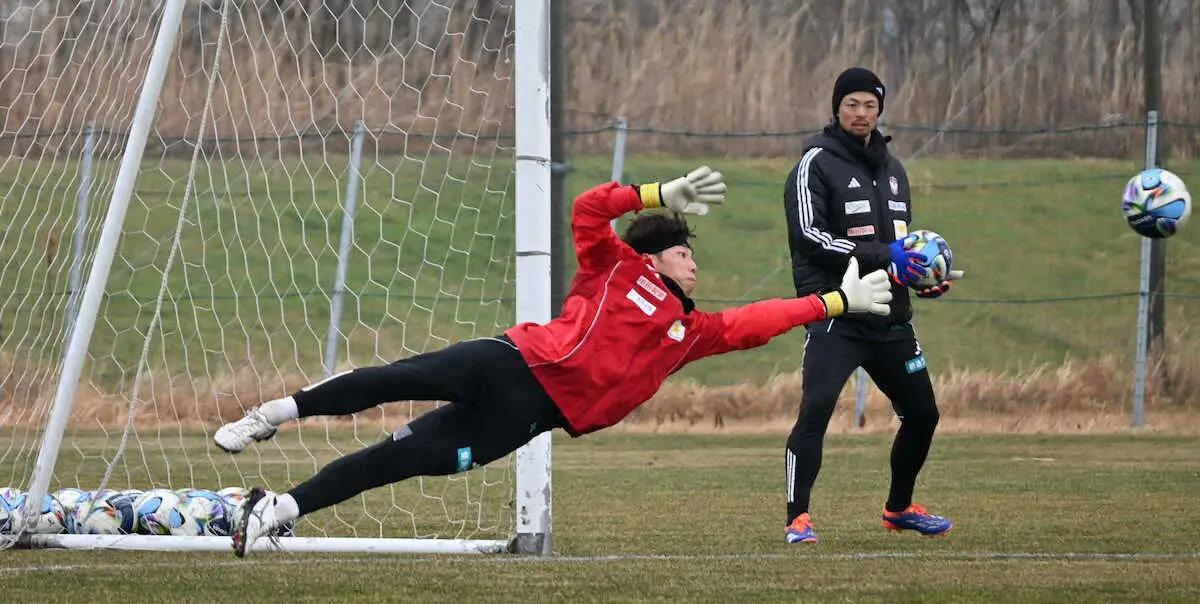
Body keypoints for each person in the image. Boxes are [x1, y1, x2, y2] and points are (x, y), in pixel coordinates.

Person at [215, 166, 894, 557]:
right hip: (506, 362)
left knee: (393, 460)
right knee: (392, 380)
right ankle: (273, 413)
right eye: (686, 253)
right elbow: (588, 209)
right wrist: (657, 195)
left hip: (528, 416)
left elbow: (759, 321)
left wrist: (835, 300)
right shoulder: (613, 266)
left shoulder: (692, 330)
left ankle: (280, 510)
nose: (695, 263)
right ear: (656, 258)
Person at [780, 67, 964, 544]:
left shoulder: (895, 170)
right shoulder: (814, 164)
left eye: (869, 105)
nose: (861, 114)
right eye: (852, 105)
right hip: (835, 313)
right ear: (836, 108)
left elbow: (902, 246)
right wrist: (886, 256)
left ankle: (899, 509)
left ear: (879, 109)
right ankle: (797, 518)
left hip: (890, 318)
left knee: (923, 414)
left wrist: (922, 279)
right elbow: (810, 238)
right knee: (816, 409)